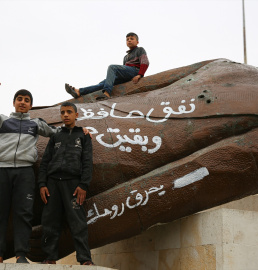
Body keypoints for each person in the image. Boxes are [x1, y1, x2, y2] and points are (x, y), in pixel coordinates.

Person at [0, 89, 61, 264]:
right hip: (2, 169)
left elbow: (57, 133)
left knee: (23, 213)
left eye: (26, 100)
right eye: (19, 99)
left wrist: (80, 130)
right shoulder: (3, 120)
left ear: (31, 105)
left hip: (25, 171)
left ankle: (21, 255)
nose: (22, 102)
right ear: (13, 102)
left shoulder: (35, 124)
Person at [38, 102, 94, 266]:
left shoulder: (83, 135)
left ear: (76, 115)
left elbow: (87, 162)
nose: (65, 115)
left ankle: (85, 259)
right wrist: (42, 184)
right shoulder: (55, 136)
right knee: (49, 221)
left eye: (69, 112)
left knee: (78, 222)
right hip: (53, 184)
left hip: (73, 184)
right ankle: (49, 258)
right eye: (63, 112)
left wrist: (84, 185)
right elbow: (45, 162)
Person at [65, 32, 149, 99]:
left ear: (137, 42)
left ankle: (107, 93)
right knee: (104, 83)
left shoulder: (140, 50)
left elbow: (145, 62)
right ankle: (79, 91)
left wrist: (139, 75)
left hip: (135, 71)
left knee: (112, 67)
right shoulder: (126, 57)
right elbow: (123, 70)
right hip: (127, 75)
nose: (129, 40)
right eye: (127, 39)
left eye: (132, 39)